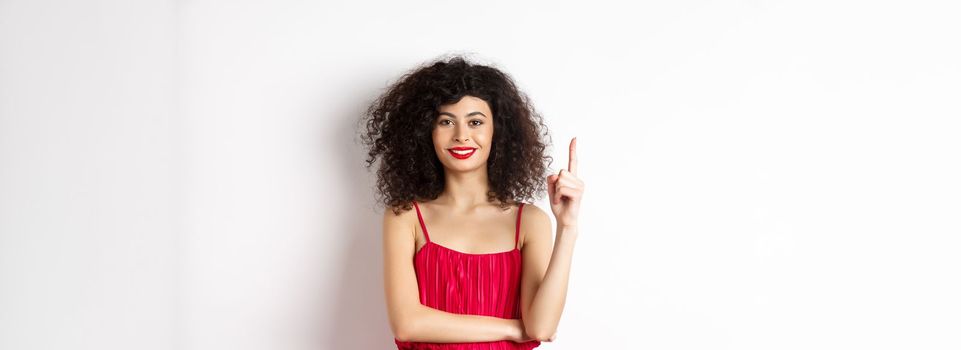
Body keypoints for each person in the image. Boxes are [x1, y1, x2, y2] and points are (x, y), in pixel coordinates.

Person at [361, 54, 584, 349]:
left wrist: (567, 227)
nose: (461, 136)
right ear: (426, 132)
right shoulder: (405, 217)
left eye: (475, 121)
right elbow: (407, 324)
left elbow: (541, 327)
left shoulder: (529, 221)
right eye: (446, 122)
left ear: (498, 131)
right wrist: (513, 329)